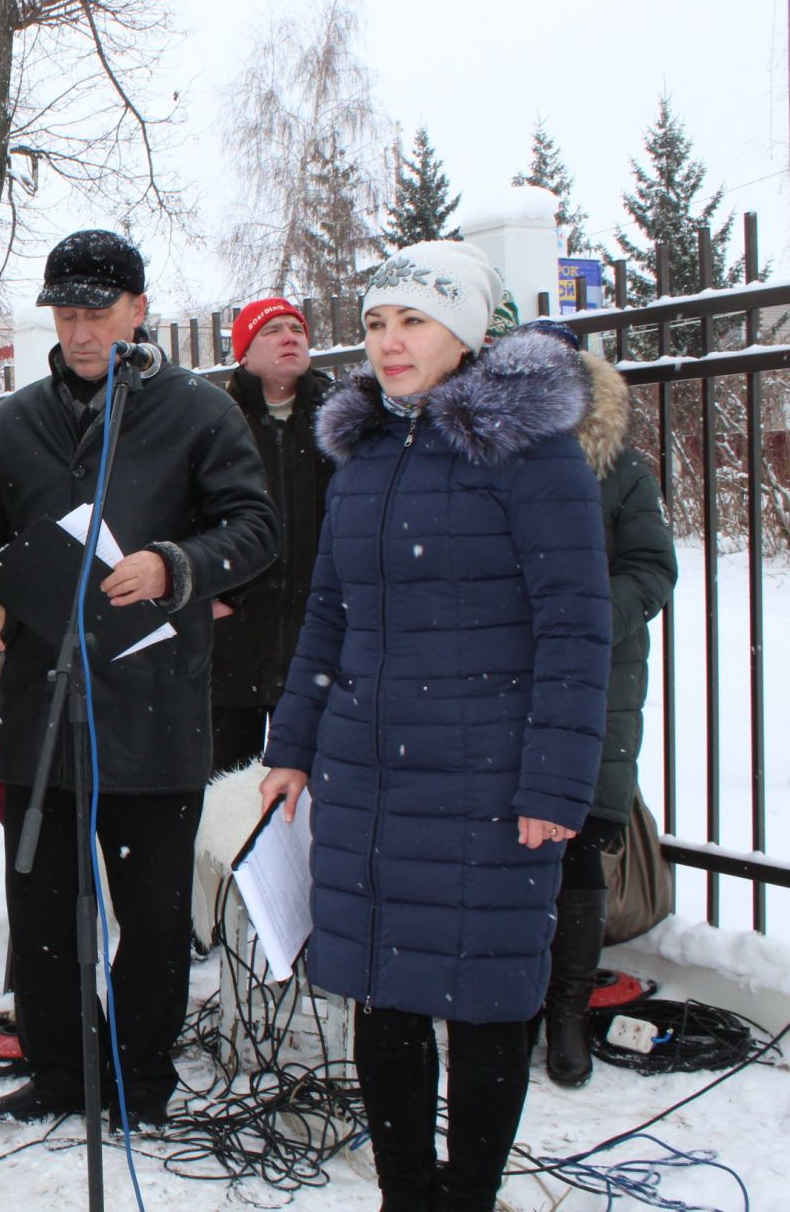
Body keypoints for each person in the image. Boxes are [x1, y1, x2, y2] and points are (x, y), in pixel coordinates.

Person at [257, 241, 612, 1212]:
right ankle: (406, 1194)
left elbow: (577, 625)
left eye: (412, 319)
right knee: (386, 991)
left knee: (486, 999)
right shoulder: (366, 453)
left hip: (487, 779)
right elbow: (328, 612)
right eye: (376, 323)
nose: (389, 341)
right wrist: (293, 745)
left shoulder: (533, 453)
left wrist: (553, 784)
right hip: (374, 775)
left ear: (466, 329)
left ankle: (466, 1195)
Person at [0, 229, 279, 1129]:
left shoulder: (199, 414)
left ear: (138, 311)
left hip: (151, 706)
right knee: (45, 910)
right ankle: (60, 1066)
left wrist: (176, 565)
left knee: (153, 915)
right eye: (65, 313)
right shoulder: (18, 420)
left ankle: (138, 1074)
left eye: (98, 312)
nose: (81, 330)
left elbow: (255, 526)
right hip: (41, 712)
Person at [520, 320, 677, 1089]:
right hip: (505, 677)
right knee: (512, 840)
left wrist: (578, 614)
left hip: (597, 679)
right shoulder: (493, 458)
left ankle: (569, 1014)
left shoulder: (620, 468)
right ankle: (513, 1004)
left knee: (578, 840)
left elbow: (652, 569)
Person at [210, 297, 337, 774]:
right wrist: (213, 590)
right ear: (244, 352)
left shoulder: (341, 420)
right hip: (233, 644)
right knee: (222, 800)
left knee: (310, 800)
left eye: (296, 328)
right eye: (271, 330)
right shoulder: (217, 423)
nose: (289, 336)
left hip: (317, 642)